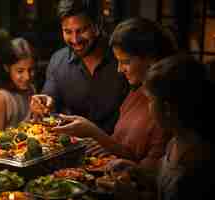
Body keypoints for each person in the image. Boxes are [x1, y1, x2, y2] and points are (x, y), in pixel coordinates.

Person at [52, 17, 178, 169]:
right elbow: (123, 146)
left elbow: (150, 172)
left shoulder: (165, 109)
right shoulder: (136, 92)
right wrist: (102, 143)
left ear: (150, 58)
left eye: (125, 62)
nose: (119, 69)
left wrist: (94, 132)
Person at [107, 54, 214, 200]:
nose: (148, 106)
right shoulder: (176, 141)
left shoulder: (195, 164)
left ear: (167, 108)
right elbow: (163, 187)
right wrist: (139, 172)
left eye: (150, 100)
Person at [30, 0, 129, 134]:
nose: (75, 40)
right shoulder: (58, 61)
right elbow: (50, 99)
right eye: (68, 31)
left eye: (81, 30)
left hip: (118, 149)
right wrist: (42, 103)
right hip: (75, 148)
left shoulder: (122, 59)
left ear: (97, 25)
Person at [0, 37, 36, 130]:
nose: (27, 77)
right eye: (20, 71)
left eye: (31, 70)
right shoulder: (2, 98)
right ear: (7, 68)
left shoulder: (31, 89)